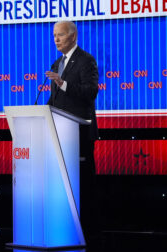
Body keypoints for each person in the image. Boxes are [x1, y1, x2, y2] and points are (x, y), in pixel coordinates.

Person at [45, 21, 99, 240]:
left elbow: (90, 92)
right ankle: (66, 230)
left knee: (83, 189)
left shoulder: (86, 61)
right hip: (60, 135)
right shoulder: (58, 62)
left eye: (61, 35)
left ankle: (88, 234)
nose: (56, 39)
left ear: (73, 36)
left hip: (80, 135)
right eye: (54, 35)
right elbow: (55, 100)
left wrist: (63, 83)